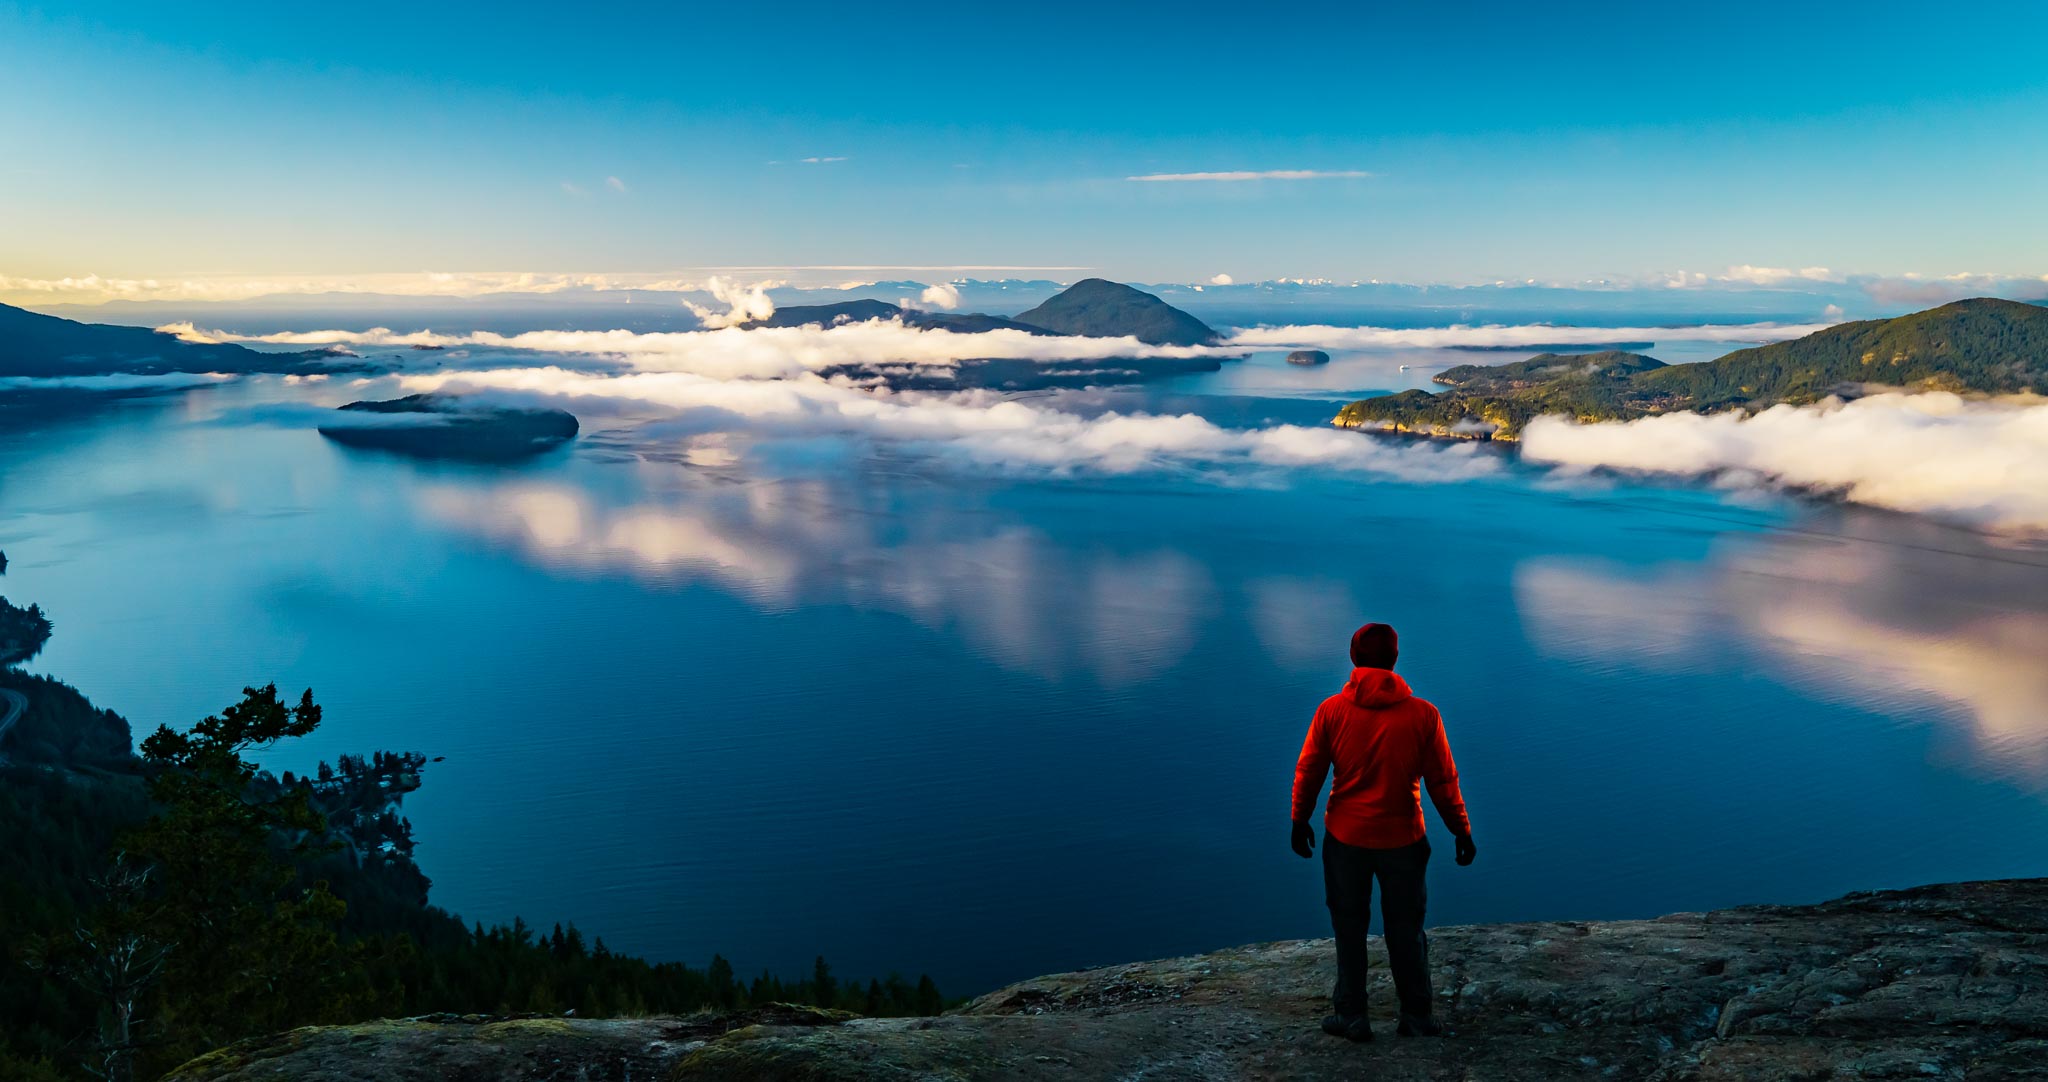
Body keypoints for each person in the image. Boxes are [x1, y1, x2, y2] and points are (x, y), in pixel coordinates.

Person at [1290, 622, 1474, 1043]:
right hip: (1404, 840)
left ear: (1354, 658)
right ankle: (1417, 1015)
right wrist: (1460, 830)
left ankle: (1352, 1015)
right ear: (1394, 659)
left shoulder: (1331, 711)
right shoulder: (1423, 715)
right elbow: (1443, 781)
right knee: (1406, 928)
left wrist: (1300, 820)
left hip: (1345, 838)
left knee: (1349, 927)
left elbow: (1310, 770)